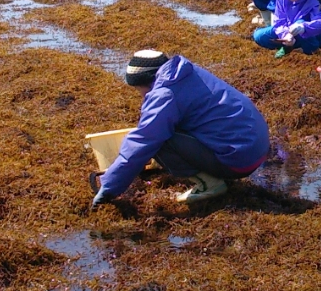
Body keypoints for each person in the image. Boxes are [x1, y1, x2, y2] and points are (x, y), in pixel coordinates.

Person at [91, 50, 270, 206]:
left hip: (239, 160)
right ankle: (211, 169)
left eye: (139, 89)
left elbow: (144, 140)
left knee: (160, 140)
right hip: (257, 147)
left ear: (145, 81)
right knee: (165, 127)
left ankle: (210, 184)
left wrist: (109, 185)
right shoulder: (186, 73)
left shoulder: (164, 94)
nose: (142, 95)